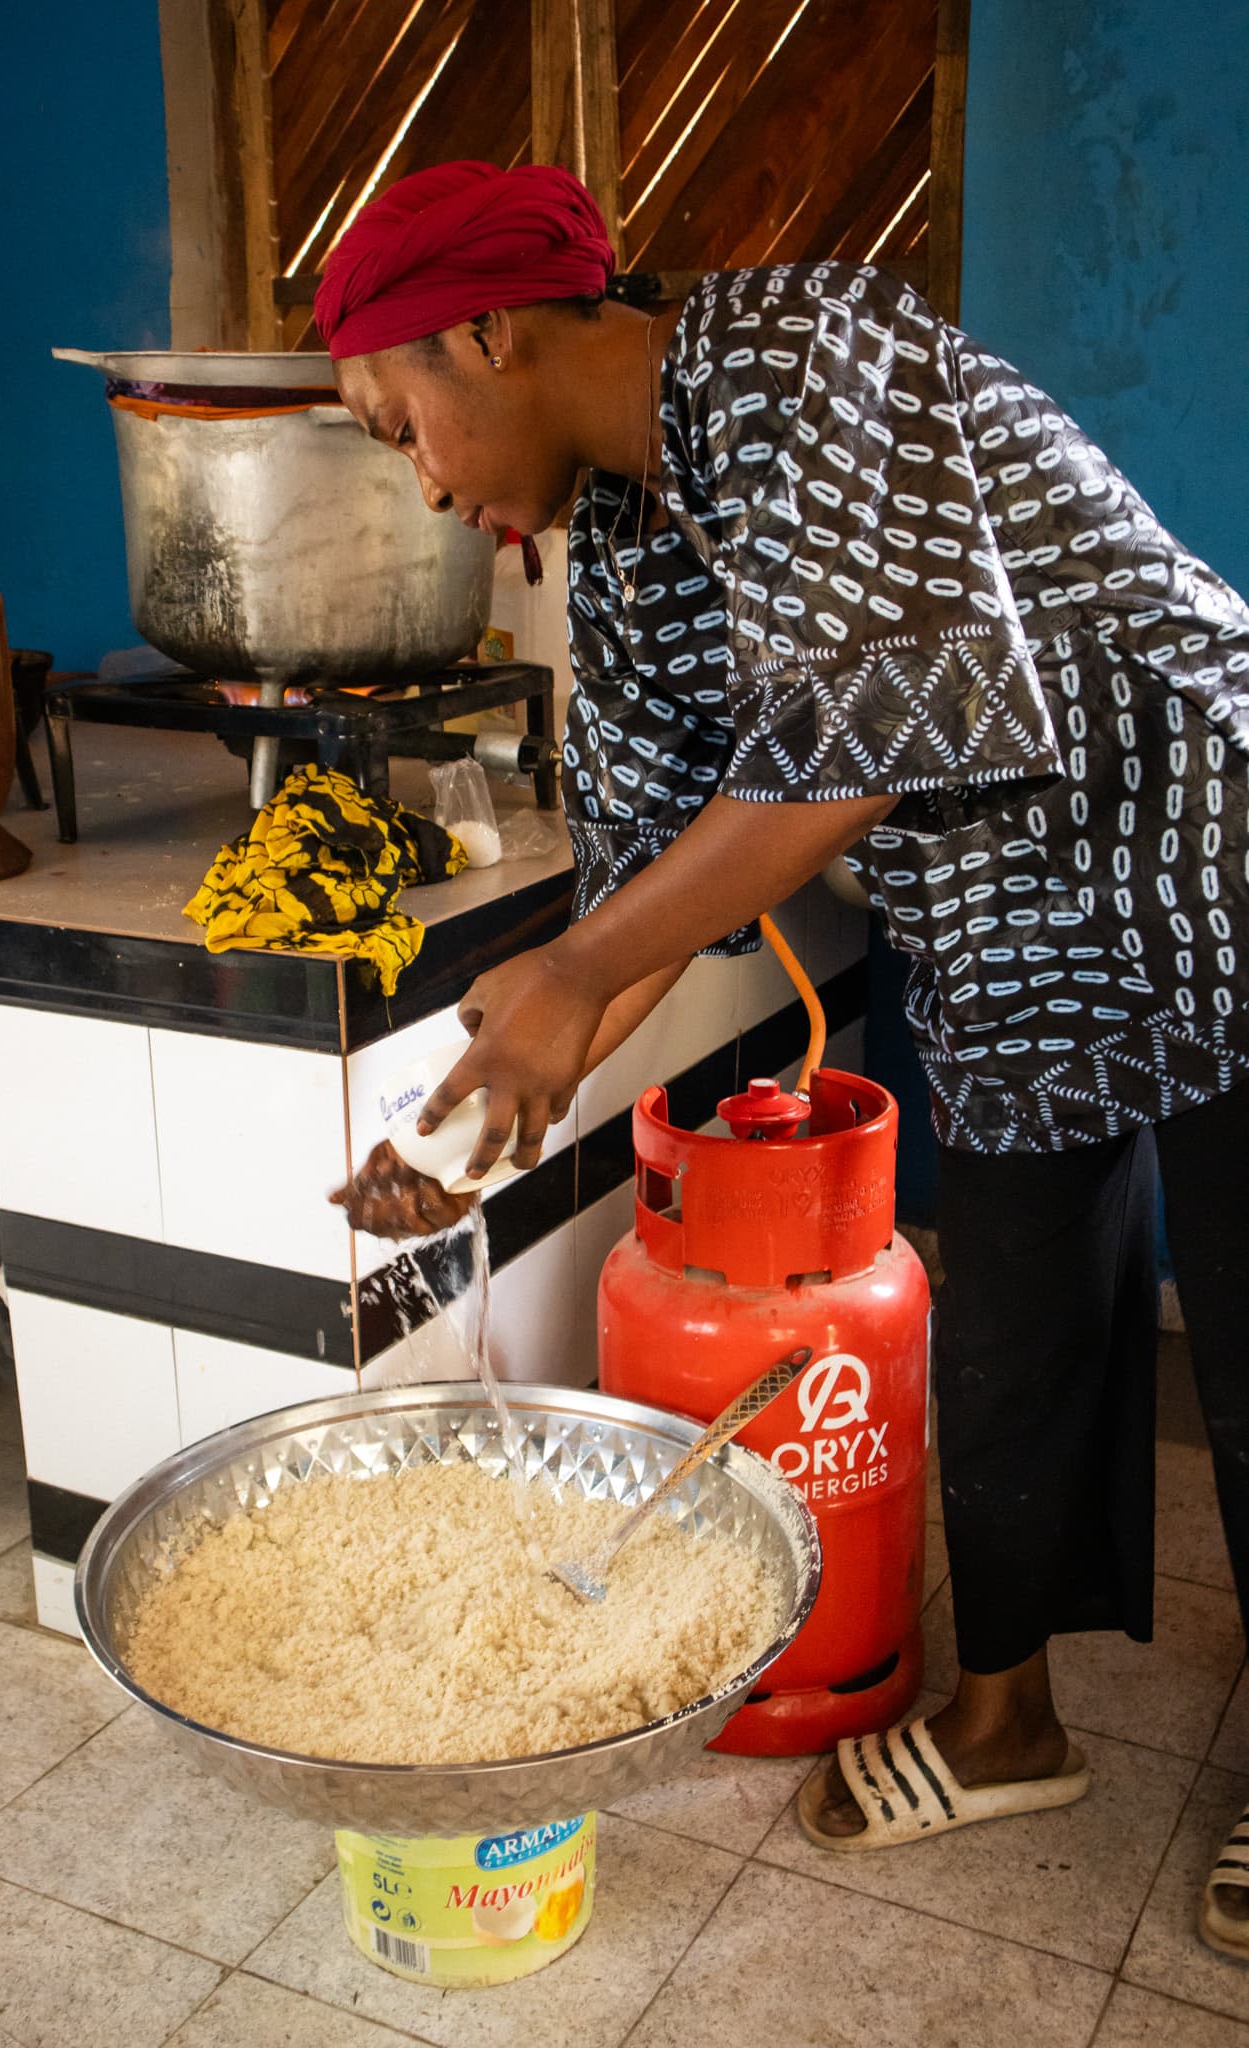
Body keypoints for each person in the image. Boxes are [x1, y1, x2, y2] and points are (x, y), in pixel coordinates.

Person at [317, 158, 1249, 1957]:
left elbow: (861, 743)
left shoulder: (815, 354)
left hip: (1209, 845)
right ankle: (1006, 1720)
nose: (423, 480)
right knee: (1001, 1322)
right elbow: (659, 891)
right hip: (1010, 934)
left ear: (492, 331)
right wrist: (481, 1118)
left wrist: (575, 970)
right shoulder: (637, 545)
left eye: (398, 422)